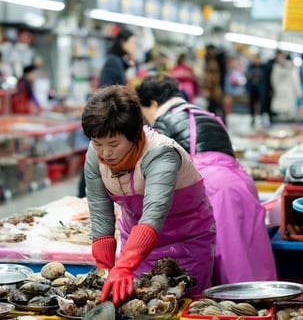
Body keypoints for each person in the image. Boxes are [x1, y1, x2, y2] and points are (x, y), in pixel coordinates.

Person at [136, 75, 277, 285]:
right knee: (248, 250)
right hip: (241, 183)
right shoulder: (205, 114)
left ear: (154, 104)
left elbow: (159, 177)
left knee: (227, 257)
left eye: (144, 110)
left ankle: (231, 311)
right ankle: (261, 308)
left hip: (213, 188)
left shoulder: (162, 124)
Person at [82, 85, 216, 305]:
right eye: (98, 143)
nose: (105, 152)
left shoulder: (161, 153)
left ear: (134, 135)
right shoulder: (95, 153)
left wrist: (124, 266)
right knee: (137, 306)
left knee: (181, 305)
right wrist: (105, 268)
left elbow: (153, 213)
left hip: (186, 244)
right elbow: (100, 209)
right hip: (135, 246)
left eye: (114, 144)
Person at [78, 28, 137, 198]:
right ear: (123, 43)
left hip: (109, 121)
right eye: (133, 43)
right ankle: (83, 198)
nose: (135, 47)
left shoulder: (119, 62)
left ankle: (86, 196)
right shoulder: (113, 62)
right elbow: (106, 92)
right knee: (97, 161)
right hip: (106, 123)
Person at [270, 53, 303, 120]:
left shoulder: (277, 67)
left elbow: (273, 80)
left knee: (280, 114)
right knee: (288, 115)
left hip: (279, 91)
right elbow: (295, 82)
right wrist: (299, 93)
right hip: (289, 93)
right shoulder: (292, 68)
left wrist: (276, 89)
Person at [203, 44, 227, 123]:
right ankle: (212, 122)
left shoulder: (219, 60)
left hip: (217, 87)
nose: (211, 52)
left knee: (219, 105)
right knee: (211, 106)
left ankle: (222, 122)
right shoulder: (207, 60)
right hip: (210, 87)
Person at [245, 55, 266, 126]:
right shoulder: (250, 67)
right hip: (252, 88)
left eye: (258, 59)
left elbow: (265, 79)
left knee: (261, 104)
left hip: (260, 89)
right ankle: (253, 118)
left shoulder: (263, 67)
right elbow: (247, 77)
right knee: (252, 104)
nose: (257, 61)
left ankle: (261, 117)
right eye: (256, 59)